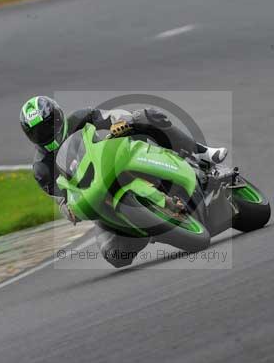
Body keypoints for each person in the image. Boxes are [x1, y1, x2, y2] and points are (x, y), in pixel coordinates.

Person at [19, 96, 227, 267]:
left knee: (147, 117)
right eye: (37, 132)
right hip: (94, 192)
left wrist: (121, 121)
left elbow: (110, 117)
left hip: (114, 157)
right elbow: (62, 197)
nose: (44, 133)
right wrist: (69, 210)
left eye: (47, 126)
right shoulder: (42, 169)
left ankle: (202, 154)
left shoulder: (80, 118)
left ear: (58, 117)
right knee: (115, 256)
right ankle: (144, 228)